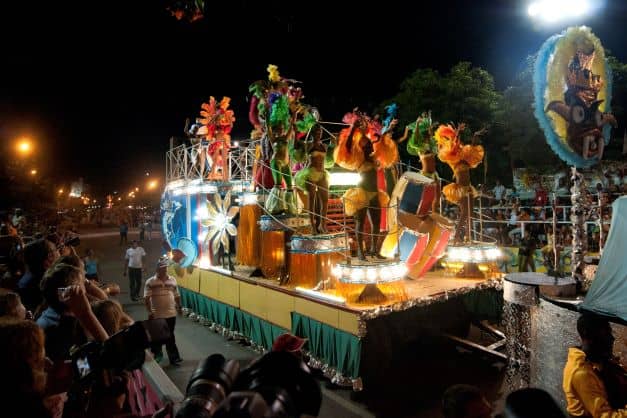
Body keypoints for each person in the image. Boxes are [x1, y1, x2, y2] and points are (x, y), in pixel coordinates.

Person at [563, 313, 627, 417]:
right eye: (606, 332)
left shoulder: (596, 359)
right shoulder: (581, 373)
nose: (612, 338)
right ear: (588, 334)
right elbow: (605, 415)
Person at [144, 257, 182, 365]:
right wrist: (150, 311)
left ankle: (174, 358)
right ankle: (157, 355)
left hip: (171, 313)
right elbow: (146, 299)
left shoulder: (173, 280)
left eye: (165, 268)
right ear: (157, 269)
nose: (164, 270)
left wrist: (179, 307)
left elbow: (177, 295)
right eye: (162, 268)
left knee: (170, 335)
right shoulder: (150, 282)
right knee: (157, 336)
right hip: (157, 314)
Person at [294, 124, 330, 234]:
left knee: (325, 199)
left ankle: (322, 225)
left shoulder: (324, 146)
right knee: (312, 199)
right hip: (310, 172)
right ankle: (312, 225)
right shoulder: (308, 145)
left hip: (322, 173)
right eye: (316, 132)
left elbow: (330, 155)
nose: (319, 134)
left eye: (320, 132)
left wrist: (334, 141)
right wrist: (296, 133)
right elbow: (297, 146)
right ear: (313, 133)